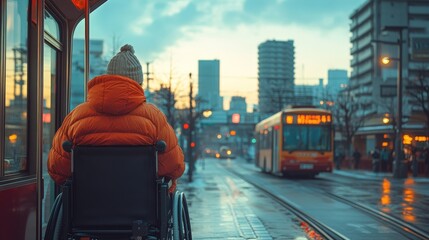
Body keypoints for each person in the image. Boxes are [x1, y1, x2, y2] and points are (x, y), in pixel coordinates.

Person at [47, 44, 185, 192]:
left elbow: (57, 168)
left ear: (108, 77)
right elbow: (174, 166)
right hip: (143, 207)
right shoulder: (154, 117)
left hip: (86, 208)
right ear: (138, 83)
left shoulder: (76, 117)